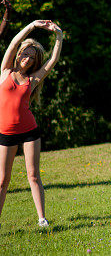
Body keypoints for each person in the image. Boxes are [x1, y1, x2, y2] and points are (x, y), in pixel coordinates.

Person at [0, 19, 63, 229]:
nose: (27, 59)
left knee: (33, 175)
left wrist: (58, 36)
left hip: (29, 132)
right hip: (6, 133)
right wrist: (33, 25)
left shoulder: (32, 80)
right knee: (2, 180)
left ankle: (42, 219)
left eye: (32, 58)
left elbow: (53, 60)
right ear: (19, 54)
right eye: (25, 54)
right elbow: (13, 43)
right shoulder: (6, 71)